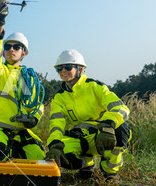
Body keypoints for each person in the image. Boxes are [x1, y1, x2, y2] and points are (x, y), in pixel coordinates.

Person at [46, 49, 131, 179]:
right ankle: (87, 164)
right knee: (61, 154)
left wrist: (108, 126)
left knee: (121, 129)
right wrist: (55, 144)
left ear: (80, 69)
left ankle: (109, 172)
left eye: (68, 67)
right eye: (59, 68)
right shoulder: (59, 97)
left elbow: (121, 108)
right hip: (81, 137)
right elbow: (56, 124)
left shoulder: (95, 87)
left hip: (103, 134)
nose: (63, 71)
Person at [0, 0, 45, 161]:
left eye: (16, 47)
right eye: (8, 47)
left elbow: (38, 104)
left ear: (23, 52)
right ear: (3, 51)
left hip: (22, 131)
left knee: (38, 159)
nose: (11, 49)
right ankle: (8, 152)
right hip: (0, 129)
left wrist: (34, 118)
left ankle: (18, 150)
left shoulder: (30, 78)